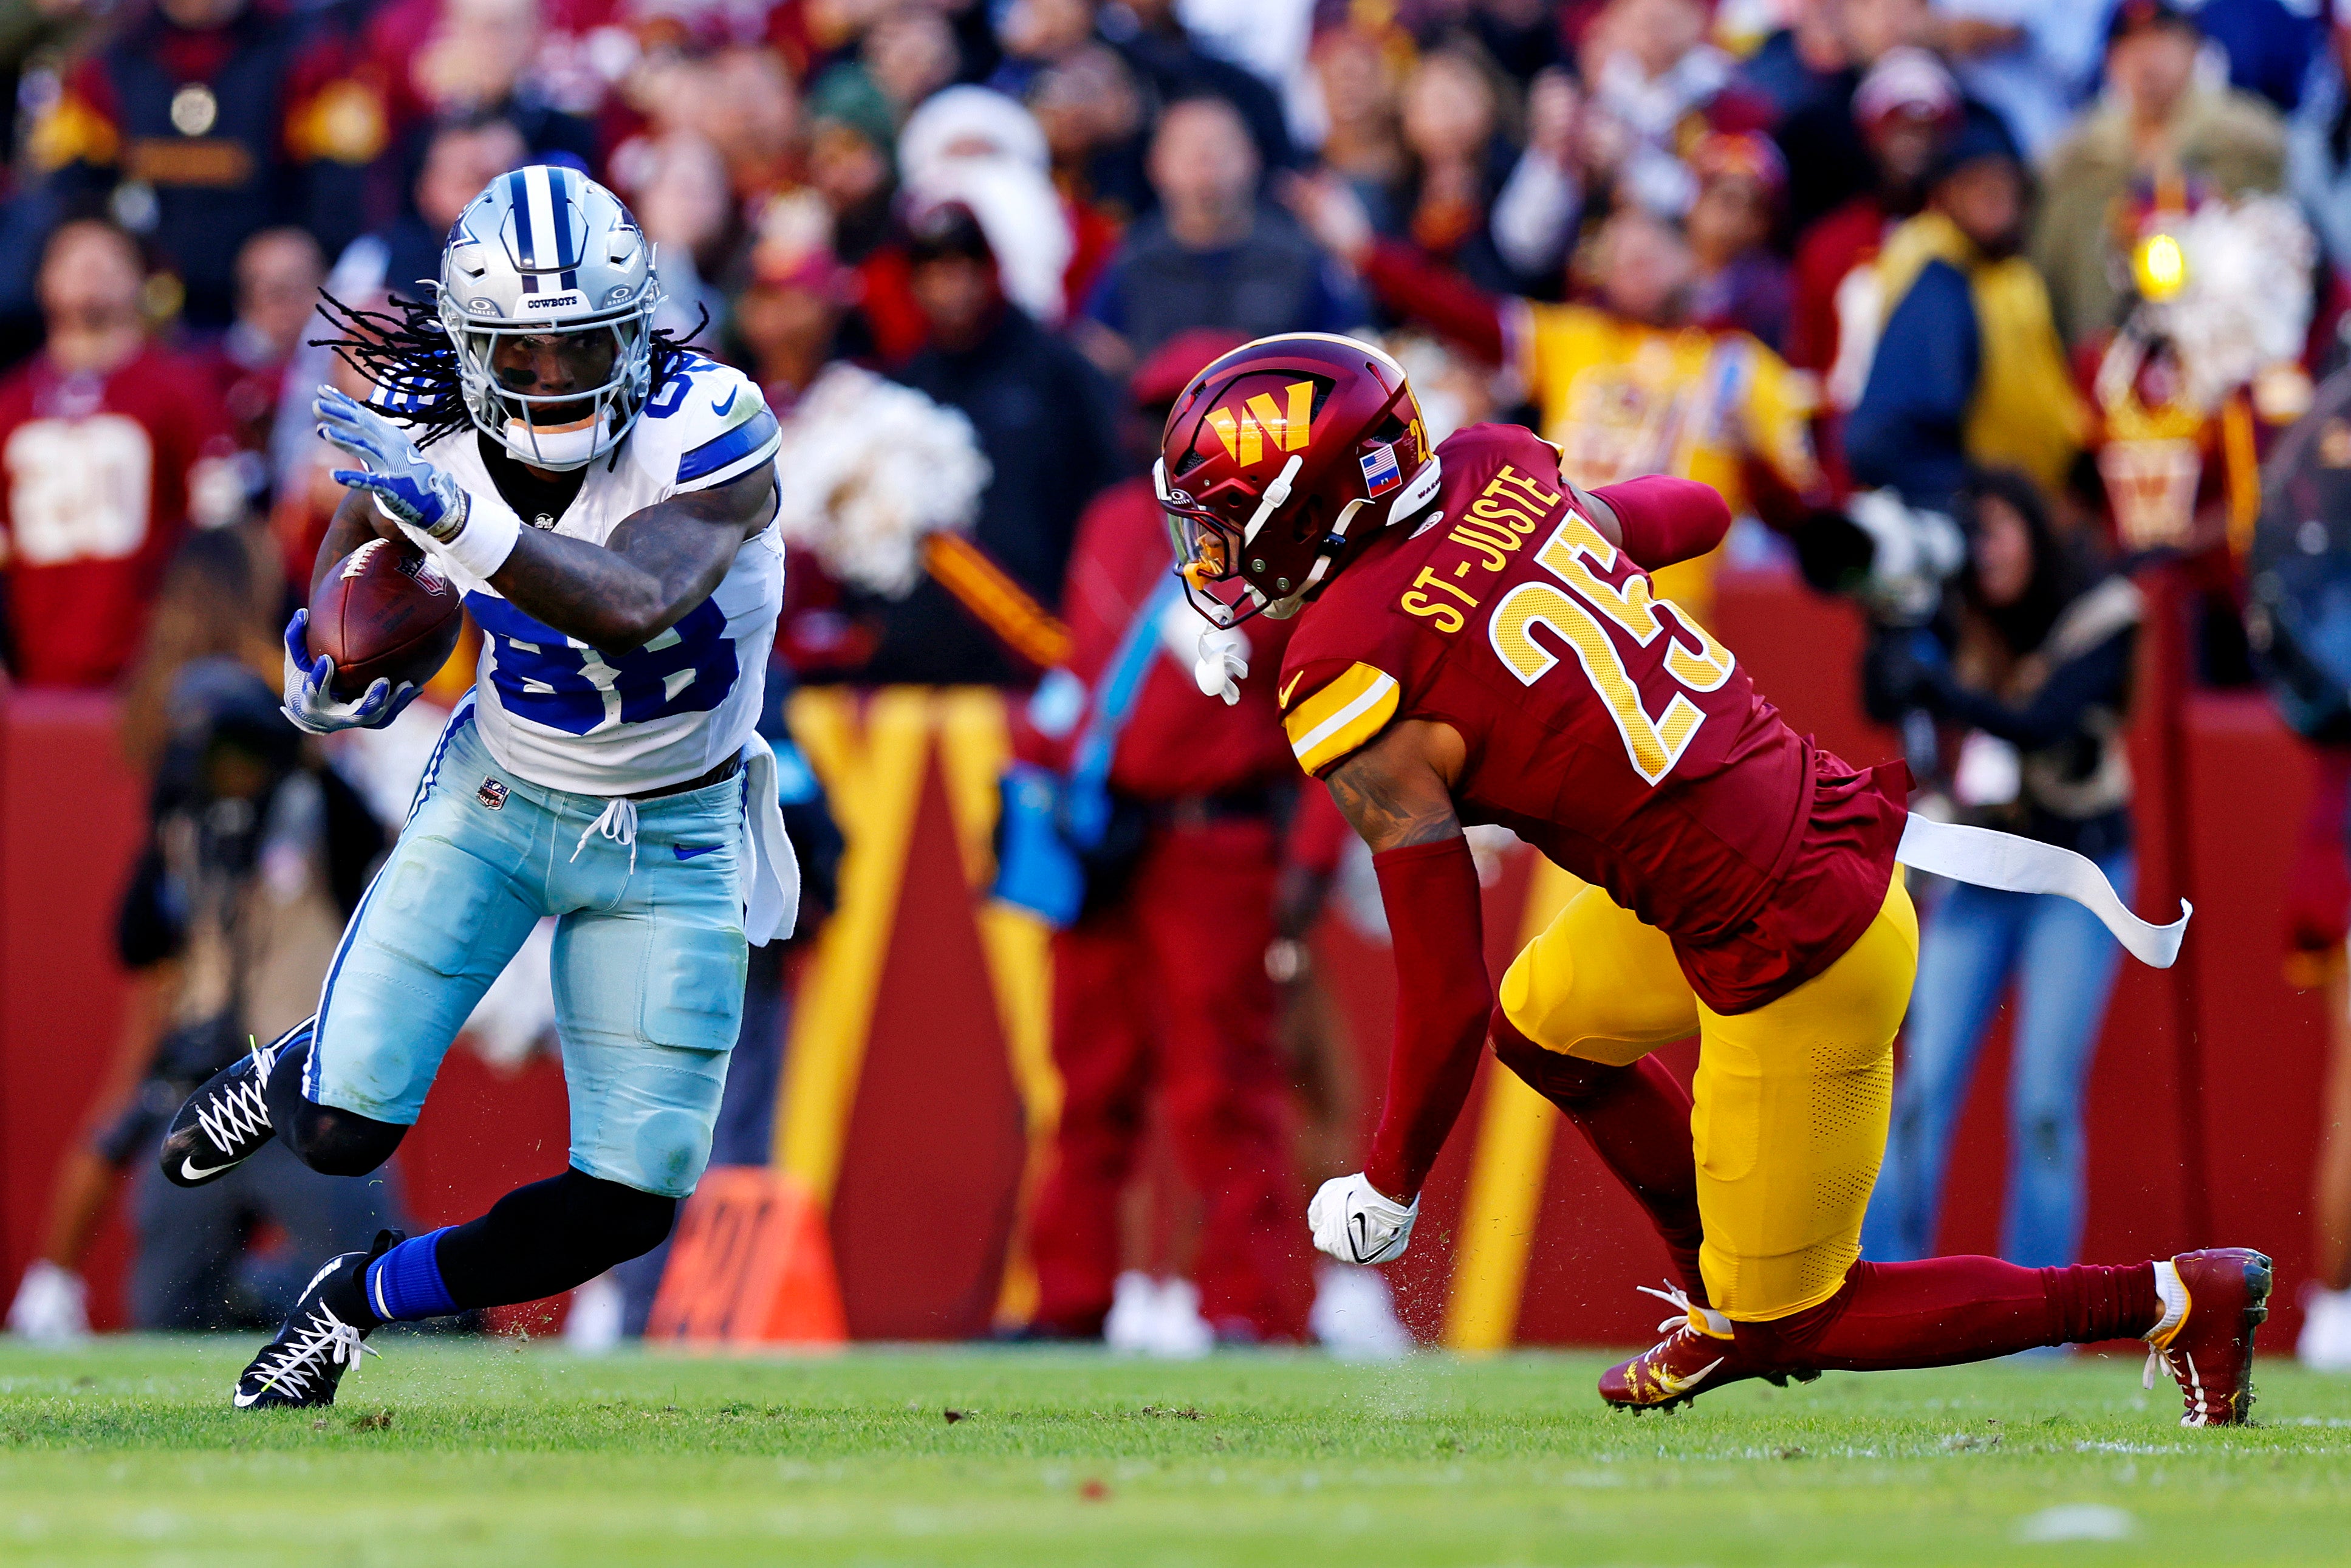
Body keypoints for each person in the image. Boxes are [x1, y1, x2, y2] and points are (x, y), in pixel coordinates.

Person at [1156, 332, 2264, 1426]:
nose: (1209, 556)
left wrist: (1390, 1183)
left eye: (1224, 524)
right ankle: (1713, 1297)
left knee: (1803, 1322)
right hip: (1791, 836)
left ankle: (2172, 1298)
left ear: (1310, 509)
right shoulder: (1499, 470)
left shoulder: (1348, 675)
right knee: (1543, 1023)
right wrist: (1556, 541)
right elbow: (1697, 513)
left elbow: (1443, 987)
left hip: (1788, 932)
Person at [153, 165, 800, 1408]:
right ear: (470, 345)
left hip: (676, 831)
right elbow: (352, 594)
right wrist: (333, 672)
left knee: (628, 1201)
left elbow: (634, 601)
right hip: (501, 803)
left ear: (638, 332)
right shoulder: (431, 428)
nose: (553, 380)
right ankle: (293, 1073)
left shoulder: (712, 423)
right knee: (344, 1128)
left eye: (584, 348)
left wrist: (458, 517)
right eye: (524, 352)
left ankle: (358, 1297)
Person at [1015, 329, 1314, 1347]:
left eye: (1183, 413)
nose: (1163, 433)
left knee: (1221, 1086)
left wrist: (1310, 862)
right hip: (1105, 837)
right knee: (1087, 1080)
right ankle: (1069, 1301)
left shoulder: (1288, 539)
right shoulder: (1107, 519)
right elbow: (1079, 672)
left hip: (1214, 840)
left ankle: (1253, 1309)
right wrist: (1035, 778)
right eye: (1152, 414)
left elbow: (1331, 713)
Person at [1861, 471, 2142, 1270]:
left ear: (2030, 529)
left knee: (2044, 1104)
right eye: (1969, 534)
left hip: (2072, 871)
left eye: (1994, 530)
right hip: (1983, 870)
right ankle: (1882, 1298)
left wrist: (1941, 684)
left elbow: (2038, 722)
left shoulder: (2101, 610)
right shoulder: (1957, 611)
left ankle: (2042, 1327)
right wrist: (1887, 626)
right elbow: (1880, 696)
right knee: (1917, 1094)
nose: (1980, 551)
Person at [857, 200, 1119, 686]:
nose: (951, 287)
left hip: (1042, 641)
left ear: (990, 271)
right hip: (927, 661)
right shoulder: (902, 391)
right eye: (934, 271)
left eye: (964, 267)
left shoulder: (1057, 371)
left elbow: (1112, 485)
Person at [0, 219, 238, 688]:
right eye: (73, 258)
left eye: (110, 259)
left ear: (139, 280)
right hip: (34, 672)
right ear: (43, 281)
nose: (91, 271)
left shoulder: (182, 390)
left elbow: (220, 536)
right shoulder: (11, 402)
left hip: (152, 672)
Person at [1845, 117, 2086, 518]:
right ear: (1944, 195)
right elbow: (1884, 437)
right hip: (1977, 516)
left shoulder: (2014, 279)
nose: (1994, 194)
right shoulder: (1934, 274)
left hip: (2031, 506)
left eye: (2004, 182)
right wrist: (1967, 499)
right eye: (1975, 182)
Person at [2033, 0, 2288, 351]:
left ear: (2195, 49)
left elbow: (2282, 272)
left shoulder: (2246, 146)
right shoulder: (2076, 162)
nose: (2148, 60)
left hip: (2226, 361)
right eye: (2132, 45)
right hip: (2102, 364)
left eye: (2164, 41)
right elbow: (2053, 277)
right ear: (2111, 60)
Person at [1081, 95, 1363, 372]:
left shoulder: (1299, 258)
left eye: (1221, 150)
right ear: (1155, 165)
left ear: (1253, 158)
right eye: (1188, 153)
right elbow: (1098, 348)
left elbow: (1348, 346)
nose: (1206, 168)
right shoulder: (1131, 261)